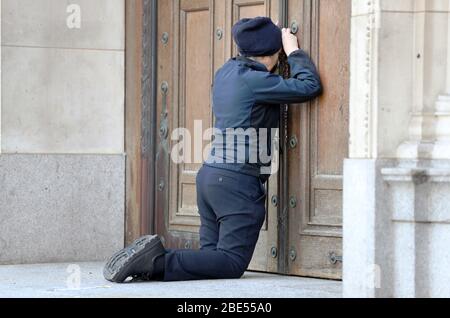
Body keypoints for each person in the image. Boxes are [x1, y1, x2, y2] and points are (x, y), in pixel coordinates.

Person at [103, 17, 322, 283]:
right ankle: (155, 260)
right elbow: (309, 86)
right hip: (237, 183)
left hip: (209, 178)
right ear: (272, 54)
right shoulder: (255, 81)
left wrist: (268, 36)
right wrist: (294, 51)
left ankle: (145, 266)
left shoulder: (226, 73)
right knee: (230, 263)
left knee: (211, 262)